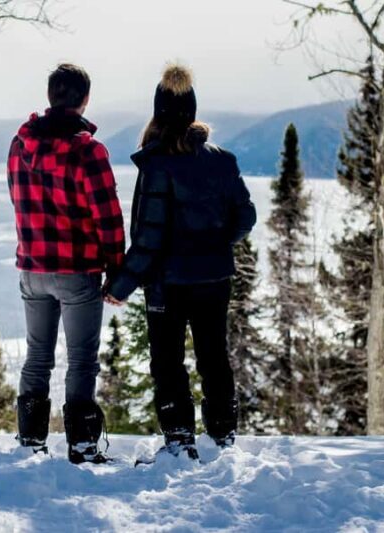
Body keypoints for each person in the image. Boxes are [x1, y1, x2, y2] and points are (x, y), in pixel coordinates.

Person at [105, 64, 257, 459]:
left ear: (158, 113)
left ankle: (179, 440)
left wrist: (120, 285)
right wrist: (216, 245)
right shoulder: (222, 160)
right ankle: (222, 436)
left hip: (167, 285)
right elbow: (246, 217)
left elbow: (148, 236)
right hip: (214, 279)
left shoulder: (157, 164)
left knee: (168, 363)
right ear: (192, 111)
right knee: (214, 357)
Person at [7, 63, 125, 464]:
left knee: (37, 355)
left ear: (50, 95)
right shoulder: (88, 151)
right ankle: (82, 445)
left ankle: (30, 443)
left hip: (33, 267)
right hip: (77, 269)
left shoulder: (19, 146)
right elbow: (107, 215)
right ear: (85, 99)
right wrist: (117, 269)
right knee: (81, 359)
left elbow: (17, 199)